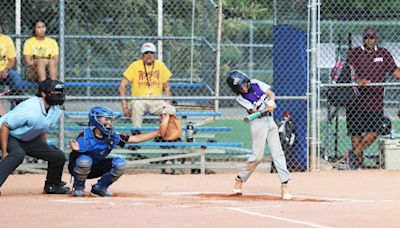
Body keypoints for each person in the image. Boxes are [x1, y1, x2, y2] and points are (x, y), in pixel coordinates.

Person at [226, 70, 292, 200]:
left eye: (244, 85)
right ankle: (240, 178)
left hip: (270, 120)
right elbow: (253, 111)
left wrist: (271, 101)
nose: (244, 89)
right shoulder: (240, 98)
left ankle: (284, 186)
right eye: (240, 88)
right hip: (258, 123)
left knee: (278, 153)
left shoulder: (256, 83)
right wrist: (264, 109)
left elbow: (270, 93)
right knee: (257, 157)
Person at [68, 106, 161, 197]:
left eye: (110, 120)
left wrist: (157, 132)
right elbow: (73, 160)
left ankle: (100, 187)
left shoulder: (112, 136)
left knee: (120, 164)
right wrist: (75, 151)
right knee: (85, 160)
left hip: (96, 167)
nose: (110, 123)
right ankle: (78, 187)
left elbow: (136, 139)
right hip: (78, 168)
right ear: (96, 120)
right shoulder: (85, 135)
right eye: (106, 119)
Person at [0, 78, 69, 195]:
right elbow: (5, 125)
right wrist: (5, 152)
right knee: (18, 154)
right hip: (6, 133)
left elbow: (41, 128)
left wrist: (45, 148)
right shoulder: (31, 107)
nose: (58, 95)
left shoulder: (56, 110)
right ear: (43, 93)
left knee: (57, 155)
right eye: (55, 92)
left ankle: (52, 185)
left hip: (26, 138)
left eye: (60, 92)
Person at [346, 27, 400, 168]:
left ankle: (353, 153)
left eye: (371, 37)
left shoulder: (383, 53)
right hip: (356, 100)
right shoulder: (355, 53)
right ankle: (357, 164)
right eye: (366, 38)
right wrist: (358, 80)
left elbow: (395, 72)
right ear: (363, 39)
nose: (368, 40)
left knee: (377, 129)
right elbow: (348, 73)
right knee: (356, 132)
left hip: (374, 102)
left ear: (376, 38)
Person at [119, 42, 176, 127]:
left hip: (157, 101)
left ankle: (164, 134)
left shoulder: (160, 65)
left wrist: (168, 103)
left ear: (155, 54)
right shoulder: (135, 65)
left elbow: (167, 87)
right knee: (137, 106)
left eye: (151, 53)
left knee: (171, 110)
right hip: (140, 101)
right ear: (142, 55)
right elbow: (122, 86)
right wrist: (125, 107)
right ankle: (136, 132)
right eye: (146, 53)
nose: (149, 55)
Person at [0, 20, 24, 110]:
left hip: (5, 71)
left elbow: (12, 59)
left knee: (15, 77)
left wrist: (6, 69)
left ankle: (18, 106)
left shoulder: (6, 39)